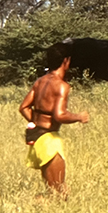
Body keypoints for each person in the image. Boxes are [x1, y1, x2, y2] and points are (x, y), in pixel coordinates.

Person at [19, 48, 89, 197]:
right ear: (66, 61)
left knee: (52, 190)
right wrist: (79, 117)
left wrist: (37, 122)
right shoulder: (62, 86)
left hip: (37, 137)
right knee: (59, 193)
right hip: (50, 140)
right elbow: (60, 115)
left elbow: (24, 107)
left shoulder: (40, 82)